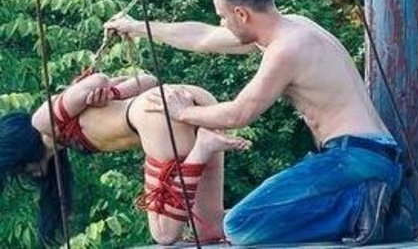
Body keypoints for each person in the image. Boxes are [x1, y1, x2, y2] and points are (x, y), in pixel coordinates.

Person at [104, 0, 404, 246]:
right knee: (247, 220)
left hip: (355, 159)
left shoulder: (286, 50)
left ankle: (359, 206)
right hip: (369, 156)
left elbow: (238, 114)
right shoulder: (293, 27)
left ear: (241, 14)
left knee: (239, 225)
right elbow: (203, 37)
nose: (222, 23)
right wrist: (137, 27)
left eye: (223, 17)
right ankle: (367, 206)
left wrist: (183, 112)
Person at [0, 71, 249, 246]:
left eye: (20, 168)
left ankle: (202, 148)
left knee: (164, 234)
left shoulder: (42, 121)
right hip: (184, 99)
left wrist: (110, 91)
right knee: (208, 230)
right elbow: (149, 80)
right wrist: (114, 94)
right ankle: (203, 145)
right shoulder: (63, 139)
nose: (28, 173)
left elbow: (98, 80)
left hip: (158, 115)